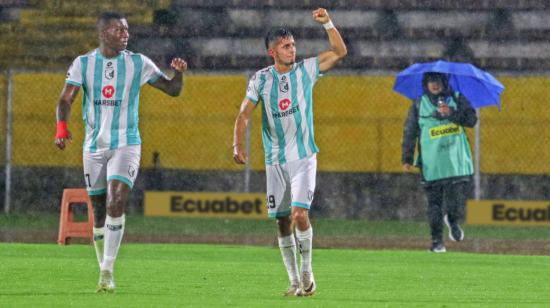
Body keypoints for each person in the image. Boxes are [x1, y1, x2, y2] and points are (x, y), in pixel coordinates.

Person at [54, 12, 187, 292]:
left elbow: (172, 90)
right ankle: (103, 266)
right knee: (99, 210)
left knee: (117, 200)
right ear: (103, 34)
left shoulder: (138, 63)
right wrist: (61, 128)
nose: (125, 34)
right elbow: (66, 98)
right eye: (118, 30)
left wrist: (180, 74)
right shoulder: (84, 63)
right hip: (93, 147)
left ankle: (107, 271)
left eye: (127, 30)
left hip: (126, 143)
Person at [232, 8, 347, 296]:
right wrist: (238, 145)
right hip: (275, 161)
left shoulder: (306, 70)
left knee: (298, 214)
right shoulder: (260, 80)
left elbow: (340, 51)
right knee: (282, 220)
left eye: (293, 45)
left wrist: (328, 23)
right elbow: (243, 115)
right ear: (273, 52)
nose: (292, 49)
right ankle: (295, 280)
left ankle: (308, 271)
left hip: (304, 157)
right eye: (286, 46)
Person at [401, 72, 477, 253]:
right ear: (425, 84)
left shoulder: (457, 99)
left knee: (455, 201)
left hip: (454, 161)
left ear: (444, 82)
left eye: (437, 81)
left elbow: (471, 120)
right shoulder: (419, 104)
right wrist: (407, 157)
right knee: (434, 204)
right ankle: (436, 242)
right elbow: (410, 131)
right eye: (430, 81)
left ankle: (453, 220)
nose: (434, 84)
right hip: (431, 162)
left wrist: (452, 113)